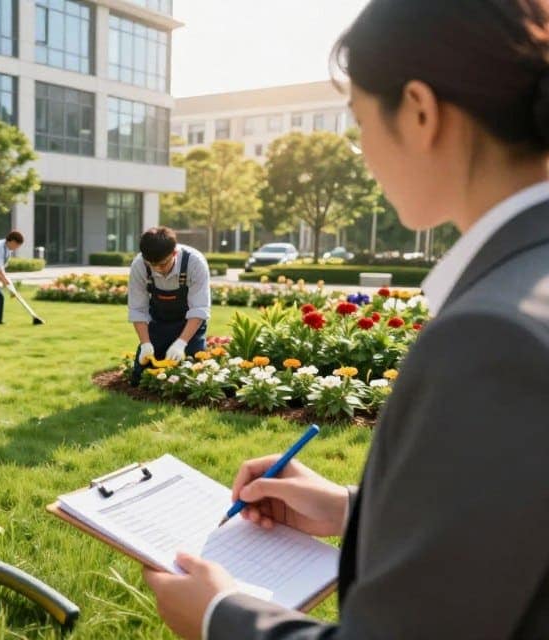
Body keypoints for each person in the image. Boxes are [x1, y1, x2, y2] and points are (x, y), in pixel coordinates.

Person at [143, 1, 549, 638]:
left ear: (419, 110)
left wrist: (221, 615)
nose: (362, 151)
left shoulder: (494, 335)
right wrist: (355, 511)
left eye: (359, 121)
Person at [127, 226, 211, 385]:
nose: (158, 269)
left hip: (190, 325)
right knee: (140, 377)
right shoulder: (140, 265)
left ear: (174, 253)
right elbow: (138, 309)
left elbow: (199, 309)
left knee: (193, 377)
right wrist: (145, 343)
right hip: (158, 323)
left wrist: (181, 343)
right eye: (153, 265)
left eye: (163, 264)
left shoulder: (194, 263)